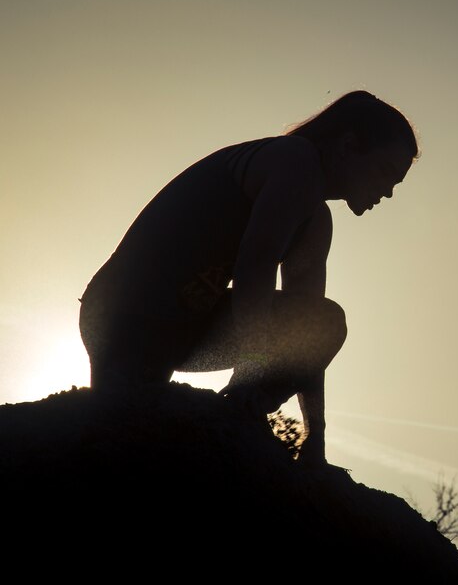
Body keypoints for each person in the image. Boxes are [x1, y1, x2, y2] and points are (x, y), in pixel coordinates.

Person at [78, 90, 418, 465]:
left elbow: (306, 335)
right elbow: (254, 268)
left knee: (322, 320)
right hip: (122, 318)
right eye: (386, 173)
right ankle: (234, 416)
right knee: (122, 444)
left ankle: (238, 416)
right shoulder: (295, 161)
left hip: (185, 330)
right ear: (349, 144)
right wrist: (250, 371)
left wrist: (315, 433)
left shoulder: (316, 220)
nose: (387, 192)